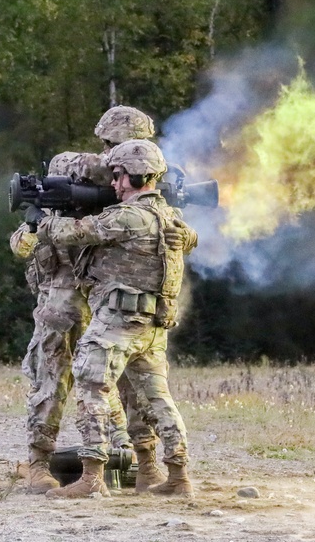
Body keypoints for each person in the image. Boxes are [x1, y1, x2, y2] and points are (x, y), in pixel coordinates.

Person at [25, 139, 198, 499]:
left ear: (138, 176)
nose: (114, 184)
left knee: (90, 388)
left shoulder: (126, 216)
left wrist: (41, 220)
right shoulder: (171, 217)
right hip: (153, 325)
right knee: (159, 399)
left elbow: (76, 233)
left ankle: (91, 477)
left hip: (118, 322)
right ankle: (179, 476)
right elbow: (188, 239)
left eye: (119, 176)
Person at [11, 153, 132, 494]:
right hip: (56, 321)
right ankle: (38, 464)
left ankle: (122, 458)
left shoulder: (106, 217)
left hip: (100, 316)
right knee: (50, 389)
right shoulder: (46, 217)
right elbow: (20, 246)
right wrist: (39, 222)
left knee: (106, 389)